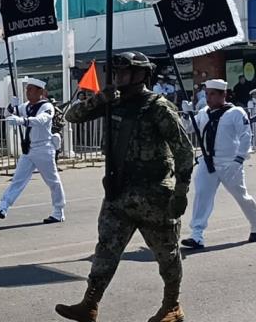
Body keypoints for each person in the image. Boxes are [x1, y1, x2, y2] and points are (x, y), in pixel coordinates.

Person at [56, 51, 194, 322]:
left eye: (125, 73)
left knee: (167, 255)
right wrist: (100, 99)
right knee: (105, 250)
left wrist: (181, 191)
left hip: (154, 196)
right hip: (119, 193)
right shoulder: (112, 102)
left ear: (142, 75)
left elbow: (184, 151)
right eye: (117, 72)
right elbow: (71, 116)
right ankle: (90, 304)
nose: (118, 78)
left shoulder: (158, 107)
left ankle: (171, 306)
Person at [179, 79, 256, 250]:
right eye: (207, 94)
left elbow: (246, 136)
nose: (208, 98)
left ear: (223, 95)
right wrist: (186, 114)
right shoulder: (204, 112)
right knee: (202, 196)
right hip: (208, 161)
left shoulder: (235, 112)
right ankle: (197, 235)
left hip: (229, 163)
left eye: (212, 94)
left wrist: (239, 159)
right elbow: (189, 128)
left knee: (241, 196)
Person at [0, 78, 66, 223]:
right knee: (18, 179)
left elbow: (41, 120)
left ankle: (58, 211)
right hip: (29, 149)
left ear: (40, 92)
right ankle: (3, 206)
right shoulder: (26, 106)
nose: (27, 93)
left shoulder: (46, 106)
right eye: (26, 90)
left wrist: (22, 120)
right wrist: (11, 106)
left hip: (43, 148)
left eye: (30, 90)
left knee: (53, 181)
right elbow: (7, 114)